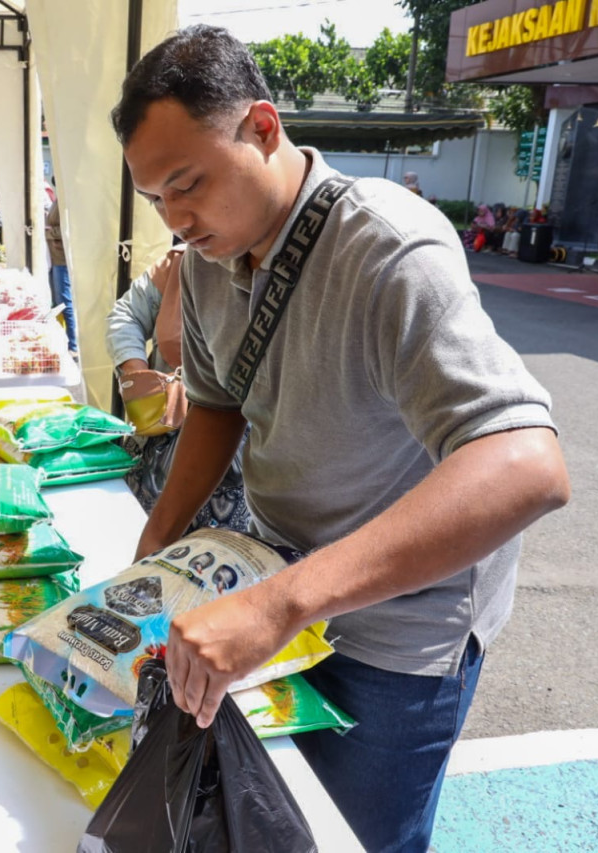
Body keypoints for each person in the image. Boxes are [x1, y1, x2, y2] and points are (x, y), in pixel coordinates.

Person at [113, 25, 570, 853]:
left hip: (397, 632)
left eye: (188, 184)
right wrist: (154, 546)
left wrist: (282, 602)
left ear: (262, 127)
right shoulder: (210, 256)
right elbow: (216, 403)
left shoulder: (389, 249)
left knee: (357, 837)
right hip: (282, 591)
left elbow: (526, 463)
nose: (176, 219)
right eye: (154, 200)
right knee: (278, 818)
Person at [107, 244, 249, 532]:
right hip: (160, 438)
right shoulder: (183, 261)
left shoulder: (278, 273)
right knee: (145, 534)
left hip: (237, 458)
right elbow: (125, 316)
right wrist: (138, 374)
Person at [44, 197, 78, 353]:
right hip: (55, 257)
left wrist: (47, 232)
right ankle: (65, 340)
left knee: (64, 301)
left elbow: (68, 229)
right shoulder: (60, 198)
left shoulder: (68, 199)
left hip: (61, 258)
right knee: (59, 302)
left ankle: (73, 344)